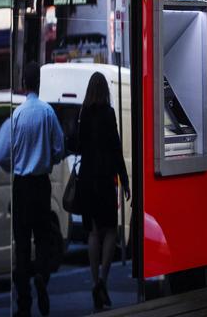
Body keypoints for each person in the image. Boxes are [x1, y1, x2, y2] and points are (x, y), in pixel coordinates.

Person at [0, 62, 65, 317]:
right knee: (44, 239)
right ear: (39, 83)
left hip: (21, 184)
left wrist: (15, 164)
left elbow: (2, 153)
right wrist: (47, 157)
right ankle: (42, 276)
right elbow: (59, 149)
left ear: (24, 84)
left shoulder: (17, 115)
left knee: (22, 243)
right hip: (41, 185)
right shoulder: (47, 113)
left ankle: (23, 303)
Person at [76, 72, 130, 311]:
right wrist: (125, 180)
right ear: (105, 90)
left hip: (87, 180)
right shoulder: (109, 113)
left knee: (93, 232)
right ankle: (103, 281)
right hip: (106, 180)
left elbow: (78, 145)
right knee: (110, 231)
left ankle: (94, 279)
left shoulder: (84, 113)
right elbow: (117, 149)